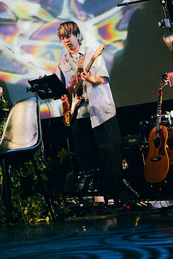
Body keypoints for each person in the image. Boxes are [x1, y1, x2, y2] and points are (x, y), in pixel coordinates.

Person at [55, 21, 137, 205]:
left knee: (110, 152)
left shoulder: (92, 53)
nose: (65, 40)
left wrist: (92, 79)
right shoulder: (62, 63)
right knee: (86, 158)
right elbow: (64, 89)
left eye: (68, 36)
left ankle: (119, 197)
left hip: (100, 111)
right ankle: (96, 200)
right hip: (79, 114)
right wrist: (65, 97)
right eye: (62, 38)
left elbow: (103, 78)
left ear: (77, 35)